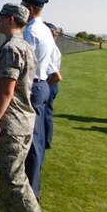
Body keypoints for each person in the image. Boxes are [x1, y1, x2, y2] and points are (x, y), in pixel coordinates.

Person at [0, 3, 44, 212]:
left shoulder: (12, 48)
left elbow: (7, 92)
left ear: (11, 19)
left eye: (0, 17)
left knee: (14, 178)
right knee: (6, 175)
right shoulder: (25, 46)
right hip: (21, 120)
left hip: (12, 122)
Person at [21, 0, 54, 199]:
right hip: (42, 85)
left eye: (23, 5)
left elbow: (25, 64)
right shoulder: (45, 30)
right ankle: (34, 184)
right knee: (38, 137)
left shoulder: (30, 32)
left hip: (32, 85)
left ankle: (30, 191)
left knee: (30, 140)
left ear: (30, 8)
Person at [44, 22, 62, 150]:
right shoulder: (53, 47)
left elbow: (56, 76)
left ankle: (44, 142)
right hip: (50, 83)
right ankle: (45, 141)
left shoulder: (50, 49)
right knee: (46, 113)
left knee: (45, 114)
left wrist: (44, 87)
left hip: (49, 82)